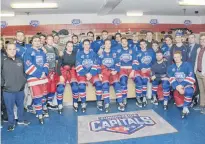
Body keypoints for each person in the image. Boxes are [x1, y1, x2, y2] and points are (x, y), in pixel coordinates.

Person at [1, 42, 30, 131]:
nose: (12, 51)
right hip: (8, 90)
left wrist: (23, 81)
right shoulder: (2, 60)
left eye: (14, 49)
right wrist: (3, 84)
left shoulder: (20, 59)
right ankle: (11, 123)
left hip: (20, 89)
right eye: (10, 49)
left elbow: (25, 72)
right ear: (6, 50)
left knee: (20, 106)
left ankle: (20, 120)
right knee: (9, 109)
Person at [24, 35, 49, 124]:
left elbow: (46, 63)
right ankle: (39, 114)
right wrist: (39, 74)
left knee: (43, 96)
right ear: (32, 42)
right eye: (35, 41)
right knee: (37, 97)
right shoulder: (28, 51)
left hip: (43, 77)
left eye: (39, 41)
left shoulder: (42, 52)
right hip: (34, 78)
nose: (37, 42)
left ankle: (41, 110)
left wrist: (44, 72)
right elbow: (28, 65)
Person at [98, 39, 125, 112]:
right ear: (104, 45)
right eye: (106, 43)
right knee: (105, 86)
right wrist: (99, 73)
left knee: (117, 85)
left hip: (113, 72)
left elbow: (118, 62)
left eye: (109, 43)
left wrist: (116, 70)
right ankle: (106, 103)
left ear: (110, 44)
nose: (108, 45)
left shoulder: (114, 53)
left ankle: (120, 102)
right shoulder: (101, 54)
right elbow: (98, 65)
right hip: (105, 72)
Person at [76, 39, 102, 112]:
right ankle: (83, 103)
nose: (87, 46)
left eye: (88, 44)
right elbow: (78, 65)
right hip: (83, 73)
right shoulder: (79, 54)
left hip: (92, 73)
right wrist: (86, 73)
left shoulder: (93, 53)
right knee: (81, 86)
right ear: (83, 45)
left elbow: (96, 64)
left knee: (99, 84)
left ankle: (99, 101)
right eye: (85, 44)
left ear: (90, 45)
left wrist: (90, 73)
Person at [168, 51, 195, 118]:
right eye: (175, 57)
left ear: (181, 57)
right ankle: (188, 103)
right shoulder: (171, 67)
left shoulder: (187, 65)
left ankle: (185, 107)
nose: (176, 58)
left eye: (178, 57)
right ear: (173, 58)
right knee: (179, 105)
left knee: (189, 91)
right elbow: (171, 78)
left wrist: (182, 85)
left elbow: (191, 77)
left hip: (186, 85)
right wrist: (177, 87)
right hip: (177, 87)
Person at [130, 39, 156, 108]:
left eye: (143, 44)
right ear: (139, 45)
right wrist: (141, 68)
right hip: (139, 70)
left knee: (145, 80)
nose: (142, 46)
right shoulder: (137, 52)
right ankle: (138, 97)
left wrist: (149, 69)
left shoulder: (151, 52)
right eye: (141, 44)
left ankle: (144, 96)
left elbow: (154, 63)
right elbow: (135, 63)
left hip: (148, 70)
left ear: (146, 44)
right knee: (139, 81)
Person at [56, 41, 79, 113]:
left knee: (75, 87)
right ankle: (60, 105)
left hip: (72, 71)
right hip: (63, 71)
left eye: (71, 46)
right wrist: (60, 75)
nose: (70, 47)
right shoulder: (62, 54)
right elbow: (58, 66)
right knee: (60, 88)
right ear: (66, 47)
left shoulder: (75, 54)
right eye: (68, 46)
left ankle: (75, 103)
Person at [42, 35, 59, 111]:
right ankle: (43, 104)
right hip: (45, 72)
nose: (51, 41)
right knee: (45, 89)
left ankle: (49, 102)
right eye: (49, 39)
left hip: (53, 71)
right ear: (46, 40)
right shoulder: (42, 48)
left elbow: (57, 60)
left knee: (52, 88)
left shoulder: (55, 49)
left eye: (52, 39)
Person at [117, 37, 134, 106]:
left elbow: (135, 61)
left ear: (127, 42)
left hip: (131, 69)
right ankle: (124, 98)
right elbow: (117, 62)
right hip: (122, 69)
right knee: (123, 81)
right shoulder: (118, 51)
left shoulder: (132, 50)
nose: (124, 43)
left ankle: (140, 97)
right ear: (121, 43)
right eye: (122, 42)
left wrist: (133, 71)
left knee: (139, 80)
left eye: (125, 41)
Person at [195, 34, 205, 114]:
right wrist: (195, 70)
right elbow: (196, 60)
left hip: (204, 73)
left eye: (204, 39)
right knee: (201, 91)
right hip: (198, 72)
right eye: (201, 39)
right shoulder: (198, 49)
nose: (202, 41)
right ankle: (202, 105)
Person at [1, 38, 8, 124]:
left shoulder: (4, 55)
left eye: (1, 44)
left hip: (3, 80)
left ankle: (5, 115)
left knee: (3, 99)